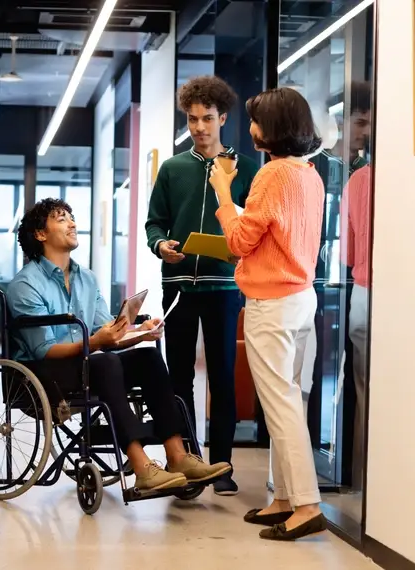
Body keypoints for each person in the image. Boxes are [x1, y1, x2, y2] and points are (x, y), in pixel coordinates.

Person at [8, 198, 231, 492]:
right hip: (45, 372)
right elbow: (44, 350)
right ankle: (142, 467)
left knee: (148, 359)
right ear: (40, 234)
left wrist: (139, 331)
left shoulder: (86, 279)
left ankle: (177, 456)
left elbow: (107, 329)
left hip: (88, 365)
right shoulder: (25, 285)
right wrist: (97, 341)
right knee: (104, 362)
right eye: (62, 219)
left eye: (72, 217)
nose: (72, 223)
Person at [209, 87, 327, 540]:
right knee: (291, 401)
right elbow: (274, 234)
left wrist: (223, 191)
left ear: (271, 129)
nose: (251, 128)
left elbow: (239, 242)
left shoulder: (271, 175)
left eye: (256, 121)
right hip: (300, 298)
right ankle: (283, 499)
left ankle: (306, 506)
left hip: (271, 305)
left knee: (280, 408)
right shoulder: (309, 174)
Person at [145, 75, 259, 496]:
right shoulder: (173, 169)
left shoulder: (246, 169)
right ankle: (189, 464)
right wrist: (161, 245)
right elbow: (154, 221)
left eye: (207, 118)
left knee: (223, 377)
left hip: (224, 287)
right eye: (192, 119)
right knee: (179, 379)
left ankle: (223, 466)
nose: (199, 127)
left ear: (222, 117)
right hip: (177, 285)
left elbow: (253, 226)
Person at [341, 163, 372, 491]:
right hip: (399, 295)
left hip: (362, 294)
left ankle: (362, 481)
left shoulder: (358, 179)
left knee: (365, 393)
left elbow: (348, 255)